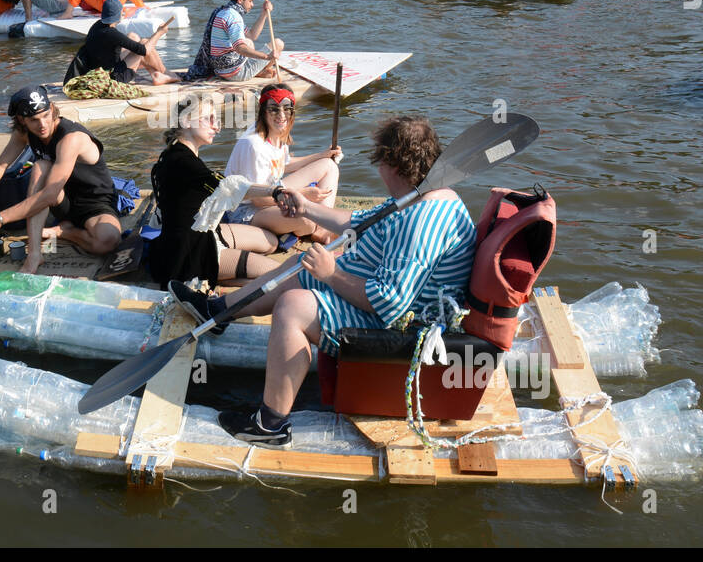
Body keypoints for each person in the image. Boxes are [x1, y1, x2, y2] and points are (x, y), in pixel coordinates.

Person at [170, 116, 478, 446]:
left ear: (392, 163)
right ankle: (218, 311)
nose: (379, 171)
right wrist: (305, 209)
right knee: (300, 264)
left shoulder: (423, 220)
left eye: (380, 162)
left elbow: (389, 303)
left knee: (293, 307)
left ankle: (270, 425)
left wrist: (332, 273)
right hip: (395, 305)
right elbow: (359, 221)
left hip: (407, 328)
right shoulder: (422, 193)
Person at [0, 87, 121, 273]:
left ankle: (63, 232)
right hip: (64, 203)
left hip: (95, 203)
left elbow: (49, 195)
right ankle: (35, 254)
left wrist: (0, 218)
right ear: (22, 120)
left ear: (52, 109)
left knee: (107, 242)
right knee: (41, 166)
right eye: (34, 120)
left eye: (46, 115)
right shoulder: (24, 134)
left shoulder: (72, 138)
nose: (42, 124)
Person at [148, 92, 281, 290]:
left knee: (270, 242)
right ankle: (214, 278)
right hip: (189, 253)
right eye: (208, 119)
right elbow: (229, 187)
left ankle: (223, 277)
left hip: (195, 235)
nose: (217, 126)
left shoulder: (174, 153)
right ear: (186, 121)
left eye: (216, 119)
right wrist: (276, 192)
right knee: (278, 273)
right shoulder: (183, 162)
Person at [223, 84, 341, 242]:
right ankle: (315, 225)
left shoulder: (277, 131)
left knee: (329, 165)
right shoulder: (253, 145)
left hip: (272, 192)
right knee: (305, 218)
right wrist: (301, 194)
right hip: (246, 212)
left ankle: (321, 229)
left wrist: (322, 155)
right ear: (263, 110)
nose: (281, 114)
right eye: (274, 108)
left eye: (286, 108)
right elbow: (258, 200)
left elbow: (284, 164)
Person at [64, 0, 177, 86]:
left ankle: (155, 74)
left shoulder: (97, 26)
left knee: (133, 36)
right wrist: (159, 33)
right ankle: (165, 73)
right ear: (118, 15)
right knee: (144, 43)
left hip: (103, 68)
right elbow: (145, 51)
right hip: (114, 78)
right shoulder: (111, 33)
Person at [185, 0, 282, 82]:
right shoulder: (234, 17)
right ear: (240, 0)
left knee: (249, 42)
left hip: (219, 69)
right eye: (250, 1)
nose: (252, 5)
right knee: (278, 44)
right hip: (235, 74)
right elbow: (240, 48)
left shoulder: (222, 11)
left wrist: (264, 13)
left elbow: (252, 35)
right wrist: (266, 56)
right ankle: (258, 71)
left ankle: (257, 70)